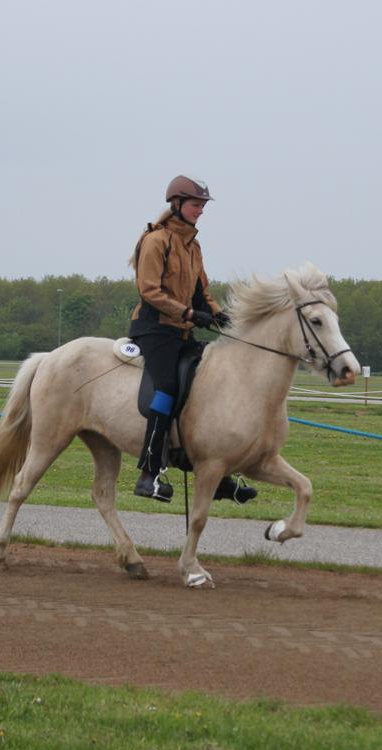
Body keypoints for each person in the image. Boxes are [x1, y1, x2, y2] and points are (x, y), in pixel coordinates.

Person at [127, 175, 256, 505]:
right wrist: (187, 313)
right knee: (168, 388)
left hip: (181, 332)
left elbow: (202, 293)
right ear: (177, 204)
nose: (201, 210)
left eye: (202, 205)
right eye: (196, 204)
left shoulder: (193, 245)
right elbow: (149, 291)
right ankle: (149, 473)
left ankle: (219, 475)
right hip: (154, 330)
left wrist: (218, 314)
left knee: (209, 384)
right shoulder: (156, 241)